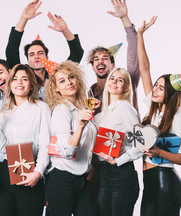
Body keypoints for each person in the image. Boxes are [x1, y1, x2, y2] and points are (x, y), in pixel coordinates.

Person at [0, 64, 51, 216]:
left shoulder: (41, 108)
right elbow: (2, 148)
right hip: (4, 175)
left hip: (30, 173)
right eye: (15, 79)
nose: (19, 82)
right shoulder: (3, 110)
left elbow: (45, 145)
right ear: (10, 84)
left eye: (24, 79)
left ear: (31, 85)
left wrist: (38, 173)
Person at [137, 16, 181, 216]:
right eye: (155, 85)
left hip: (166, 180)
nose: (154, 90)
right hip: (149, 181)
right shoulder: (153, 109)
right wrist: (140, 35)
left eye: (160, 88)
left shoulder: (178, 118)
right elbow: (144, 68)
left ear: (170, 95)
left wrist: (160, 153)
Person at [44, 61, 97, 216]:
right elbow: (67, 151)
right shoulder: (62, 110)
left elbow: (89, 144)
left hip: (82, 178)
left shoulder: (81, 109)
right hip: (62, 179)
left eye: (71, 77)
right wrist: (80, 126)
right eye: (62, 81)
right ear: (56, 88)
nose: (69, 83)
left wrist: (90, 167)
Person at [6, 0, 84, 99]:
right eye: (31, 54)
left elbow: (77, 53)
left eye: (40, 53)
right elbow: (11, 51)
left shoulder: (58, 75)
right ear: (27, 60)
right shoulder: (24, 78)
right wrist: (23, 19)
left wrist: (65, 30)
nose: (36, 56)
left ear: (47, 57)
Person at [94, 68, 142, 216]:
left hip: (122, 175)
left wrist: (118, 160)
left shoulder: (125, 107)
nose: (114, 81)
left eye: (119, 80)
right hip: (105, 174)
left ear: (126, 87)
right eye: (112, 78)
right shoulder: (105, 112)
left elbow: (141, 143)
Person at [87, 0, 140, 114]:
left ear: (112, 65)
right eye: (96, 59)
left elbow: (135, 52)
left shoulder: (127, 81)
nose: (100, 61)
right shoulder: (90, 93)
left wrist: (124, 18)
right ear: (92, 66)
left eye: (105, 58)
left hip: (131, 132)